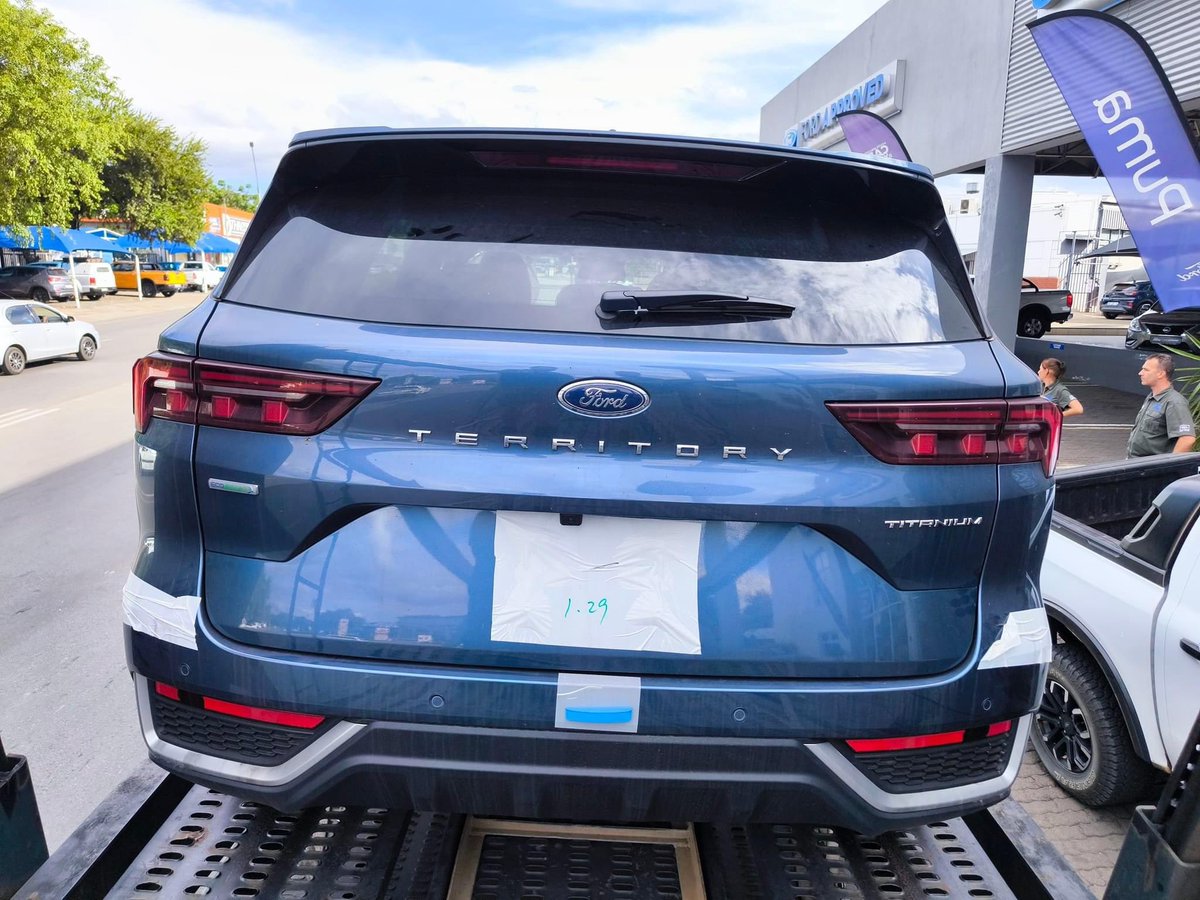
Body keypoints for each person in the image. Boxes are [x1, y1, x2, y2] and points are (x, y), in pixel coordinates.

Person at [1127, 353, 1196, 457]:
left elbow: (1187, 439)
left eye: (1146, 370)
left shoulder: (1174, 402)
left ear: (1161, 374)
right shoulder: (1152, 398)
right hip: (1137, 465)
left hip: (1152, 469)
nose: (1140, 373)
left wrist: (1169, 466)